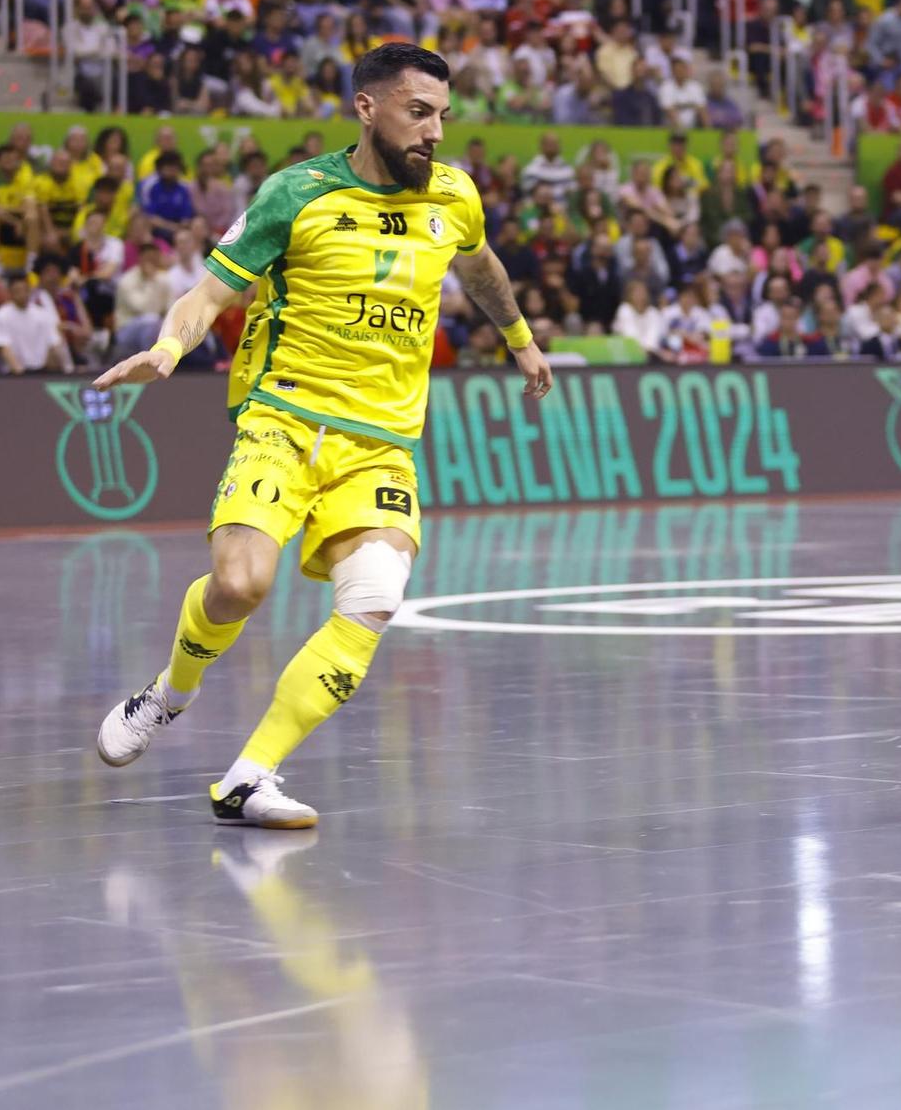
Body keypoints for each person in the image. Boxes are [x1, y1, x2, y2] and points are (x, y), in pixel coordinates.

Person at [91, 43, 554, 830]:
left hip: (381, 441)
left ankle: (250, 774)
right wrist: (170, 348)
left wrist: (519, 337)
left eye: (443, 114)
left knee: (374, 598)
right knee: (239, 586)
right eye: (418, 112)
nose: (435, 132)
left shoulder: (453, 196)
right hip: (284, 418)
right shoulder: (295, 195)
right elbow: (208, 294)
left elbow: (480, 269)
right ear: (367, 108)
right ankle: (169, 692)